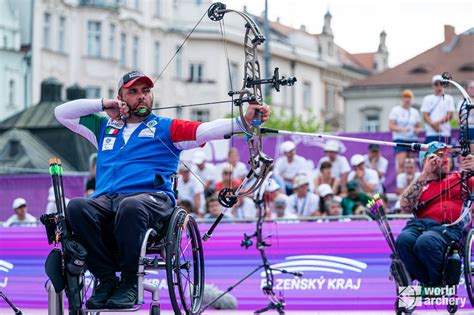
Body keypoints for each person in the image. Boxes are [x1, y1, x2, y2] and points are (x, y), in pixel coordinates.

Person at [54, 70, 270, 309]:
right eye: (133, 92)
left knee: (131, 205)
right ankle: (106, 280)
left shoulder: (166, 127)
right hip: (107, 200)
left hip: (152, 200)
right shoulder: (104, 126)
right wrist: (104, 104)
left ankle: (129, 284)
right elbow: (61, 113)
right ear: (120, 97)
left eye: (146, 91)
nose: (141, 96)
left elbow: (205, 129)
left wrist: (244, 121)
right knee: (76, 206)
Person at [396, 142, 474, 286]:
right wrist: (424, 173)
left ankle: (438, 282)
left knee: (425, 241)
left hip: (447, 229)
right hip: (419, 226)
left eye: (447, 156)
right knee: (403, 240)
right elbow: (405, 206)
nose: (446, 159)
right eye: (439, 156)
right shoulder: (421, 184)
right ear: (425, 161)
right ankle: (428, 282)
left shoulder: (460, 178)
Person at [388, 89, 421, 172]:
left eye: (409, 97)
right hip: (400, 138)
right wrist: (402, 129)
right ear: (402, 99)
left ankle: (412, 182)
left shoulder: (415, 112)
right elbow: (391, 126)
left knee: (412, 163)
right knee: (401, 162)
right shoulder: (395, 110)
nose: (407, 99)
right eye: (405, 97)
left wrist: (416, 130)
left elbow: (418, 127)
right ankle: (400, 183)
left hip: (412, 139)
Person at [421, 74, 455, 144]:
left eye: (441, 83)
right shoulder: (427, 98)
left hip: (444, 133)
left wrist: (435, 124)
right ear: (433, 85)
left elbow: (450, 115)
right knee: (431, 154)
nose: (439, 86)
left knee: (445, 154)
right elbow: (425, 115)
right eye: (436, 84)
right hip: (431, 133)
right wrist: (434, 126)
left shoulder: (449, 98)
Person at [456, 80, 474, 151]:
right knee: (463, 154)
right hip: (465, 131)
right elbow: (459, 120)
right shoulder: (461, 103)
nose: (473, 90)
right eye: (471, 88)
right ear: (466, 89)